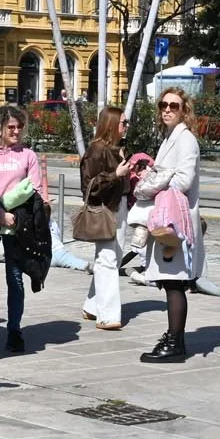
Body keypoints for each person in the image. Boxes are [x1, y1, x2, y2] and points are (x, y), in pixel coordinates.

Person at [130, 88, 204, 363]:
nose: (167, 110)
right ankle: (175, 339)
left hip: (176, 221)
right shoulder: (170, 137)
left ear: (185, 110)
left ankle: (174, 343)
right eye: (163, 105)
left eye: (174, 105)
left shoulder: (186, 139)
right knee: (168, 280)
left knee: (174, 282)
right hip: (167, 217)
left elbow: (183, 180)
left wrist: (152, 182)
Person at [0, 106, 46, 354]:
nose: (16, 131)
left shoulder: (28, 155)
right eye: (11, 127)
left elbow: (34, 189)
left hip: (17, 226)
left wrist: (10, 213)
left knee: (15, 279)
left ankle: (14, 330)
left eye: (19, 127)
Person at [79, 106, 130, 330]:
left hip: (120, 206)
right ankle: (107, 315)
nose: (126, 127)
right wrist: (116, 175)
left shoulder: (119, 149)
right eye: (123, 123)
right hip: (104, 209)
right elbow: (89, 186)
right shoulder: (96, 150)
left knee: (114, 256)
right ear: (111, 124)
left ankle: (92, 306)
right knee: (107, 258)